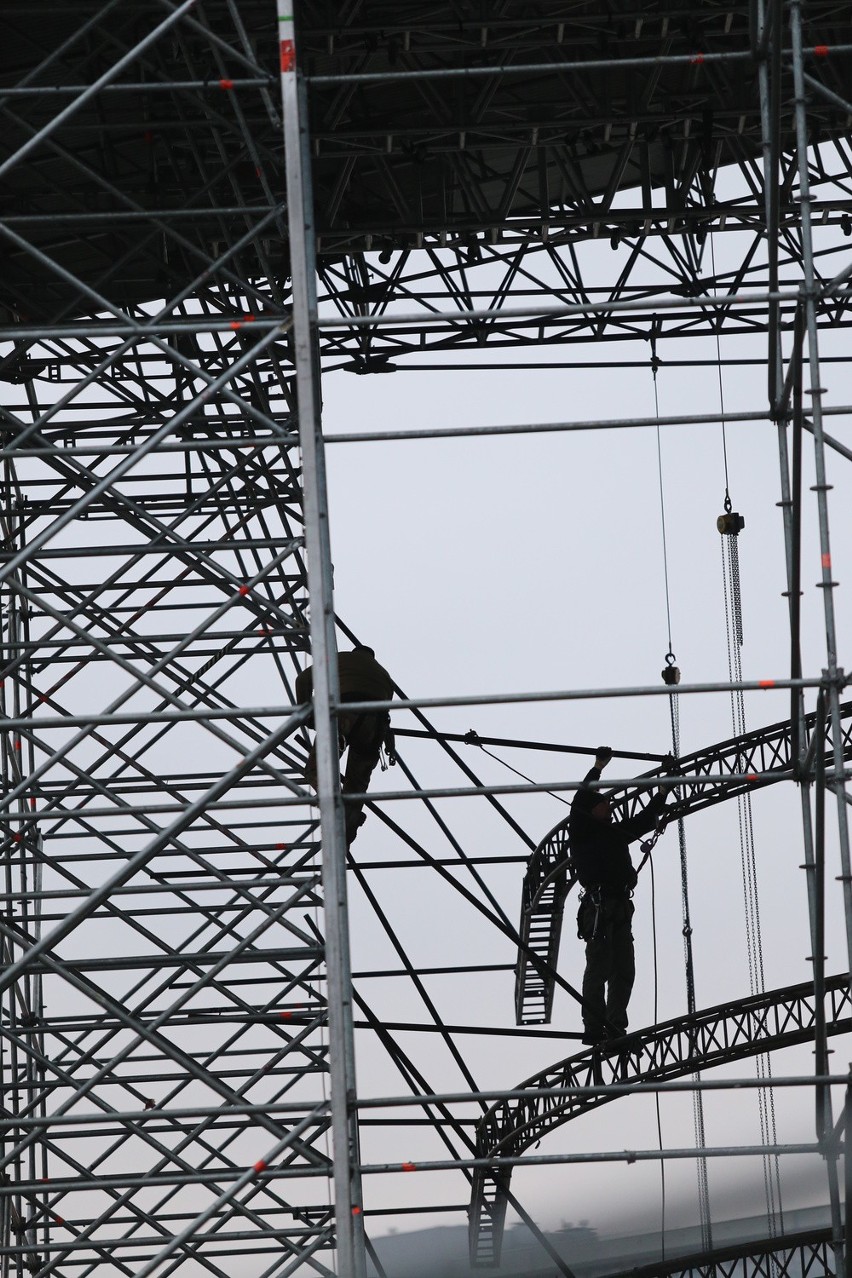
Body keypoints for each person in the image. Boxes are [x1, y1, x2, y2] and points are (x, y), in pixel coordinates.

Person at [570, 746, 670, 1046]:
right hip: (599, 907)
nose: (609, 808)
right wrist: (598, 768)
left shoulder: (614, 832)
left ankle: (615, 1025)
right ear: (592, 809)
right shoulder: (582, 830)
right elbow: (580, 800)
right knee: (599, 967)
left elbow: (643, 820)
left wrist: (663, 794)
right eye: (604, 805)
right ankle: (594, 1025)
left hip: (618, 907)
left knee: (624, 969)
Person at [295, 644, 394, 844]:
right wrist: (389, 745)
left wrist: (305, 713)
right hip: (374, 727)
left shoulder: (339, 659)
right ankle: (347, 828)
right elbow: (386, 714)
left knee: (317, 769)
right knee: (357, 785)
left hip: (343, 715)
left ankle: (333, 805)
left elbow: (303, 680)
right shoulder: (385, 675)